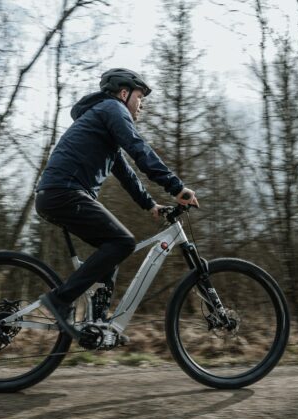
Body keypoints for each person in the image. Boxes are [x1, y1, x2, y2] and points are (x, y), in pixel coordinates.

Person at [35, 68, 198, 343]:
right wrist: (176, 187)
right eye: (139, 96)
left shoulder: (103, 121)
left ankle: (98, 324)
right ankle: (59, 300)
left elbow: (126, 173)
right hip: (65, 192)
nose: (142, 103)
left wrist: (150, 205)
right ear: (124, 93)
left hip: (61, 194)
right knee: (121, 242)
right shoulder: (112, 108)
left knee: (112, 244)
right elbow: (139, 149)